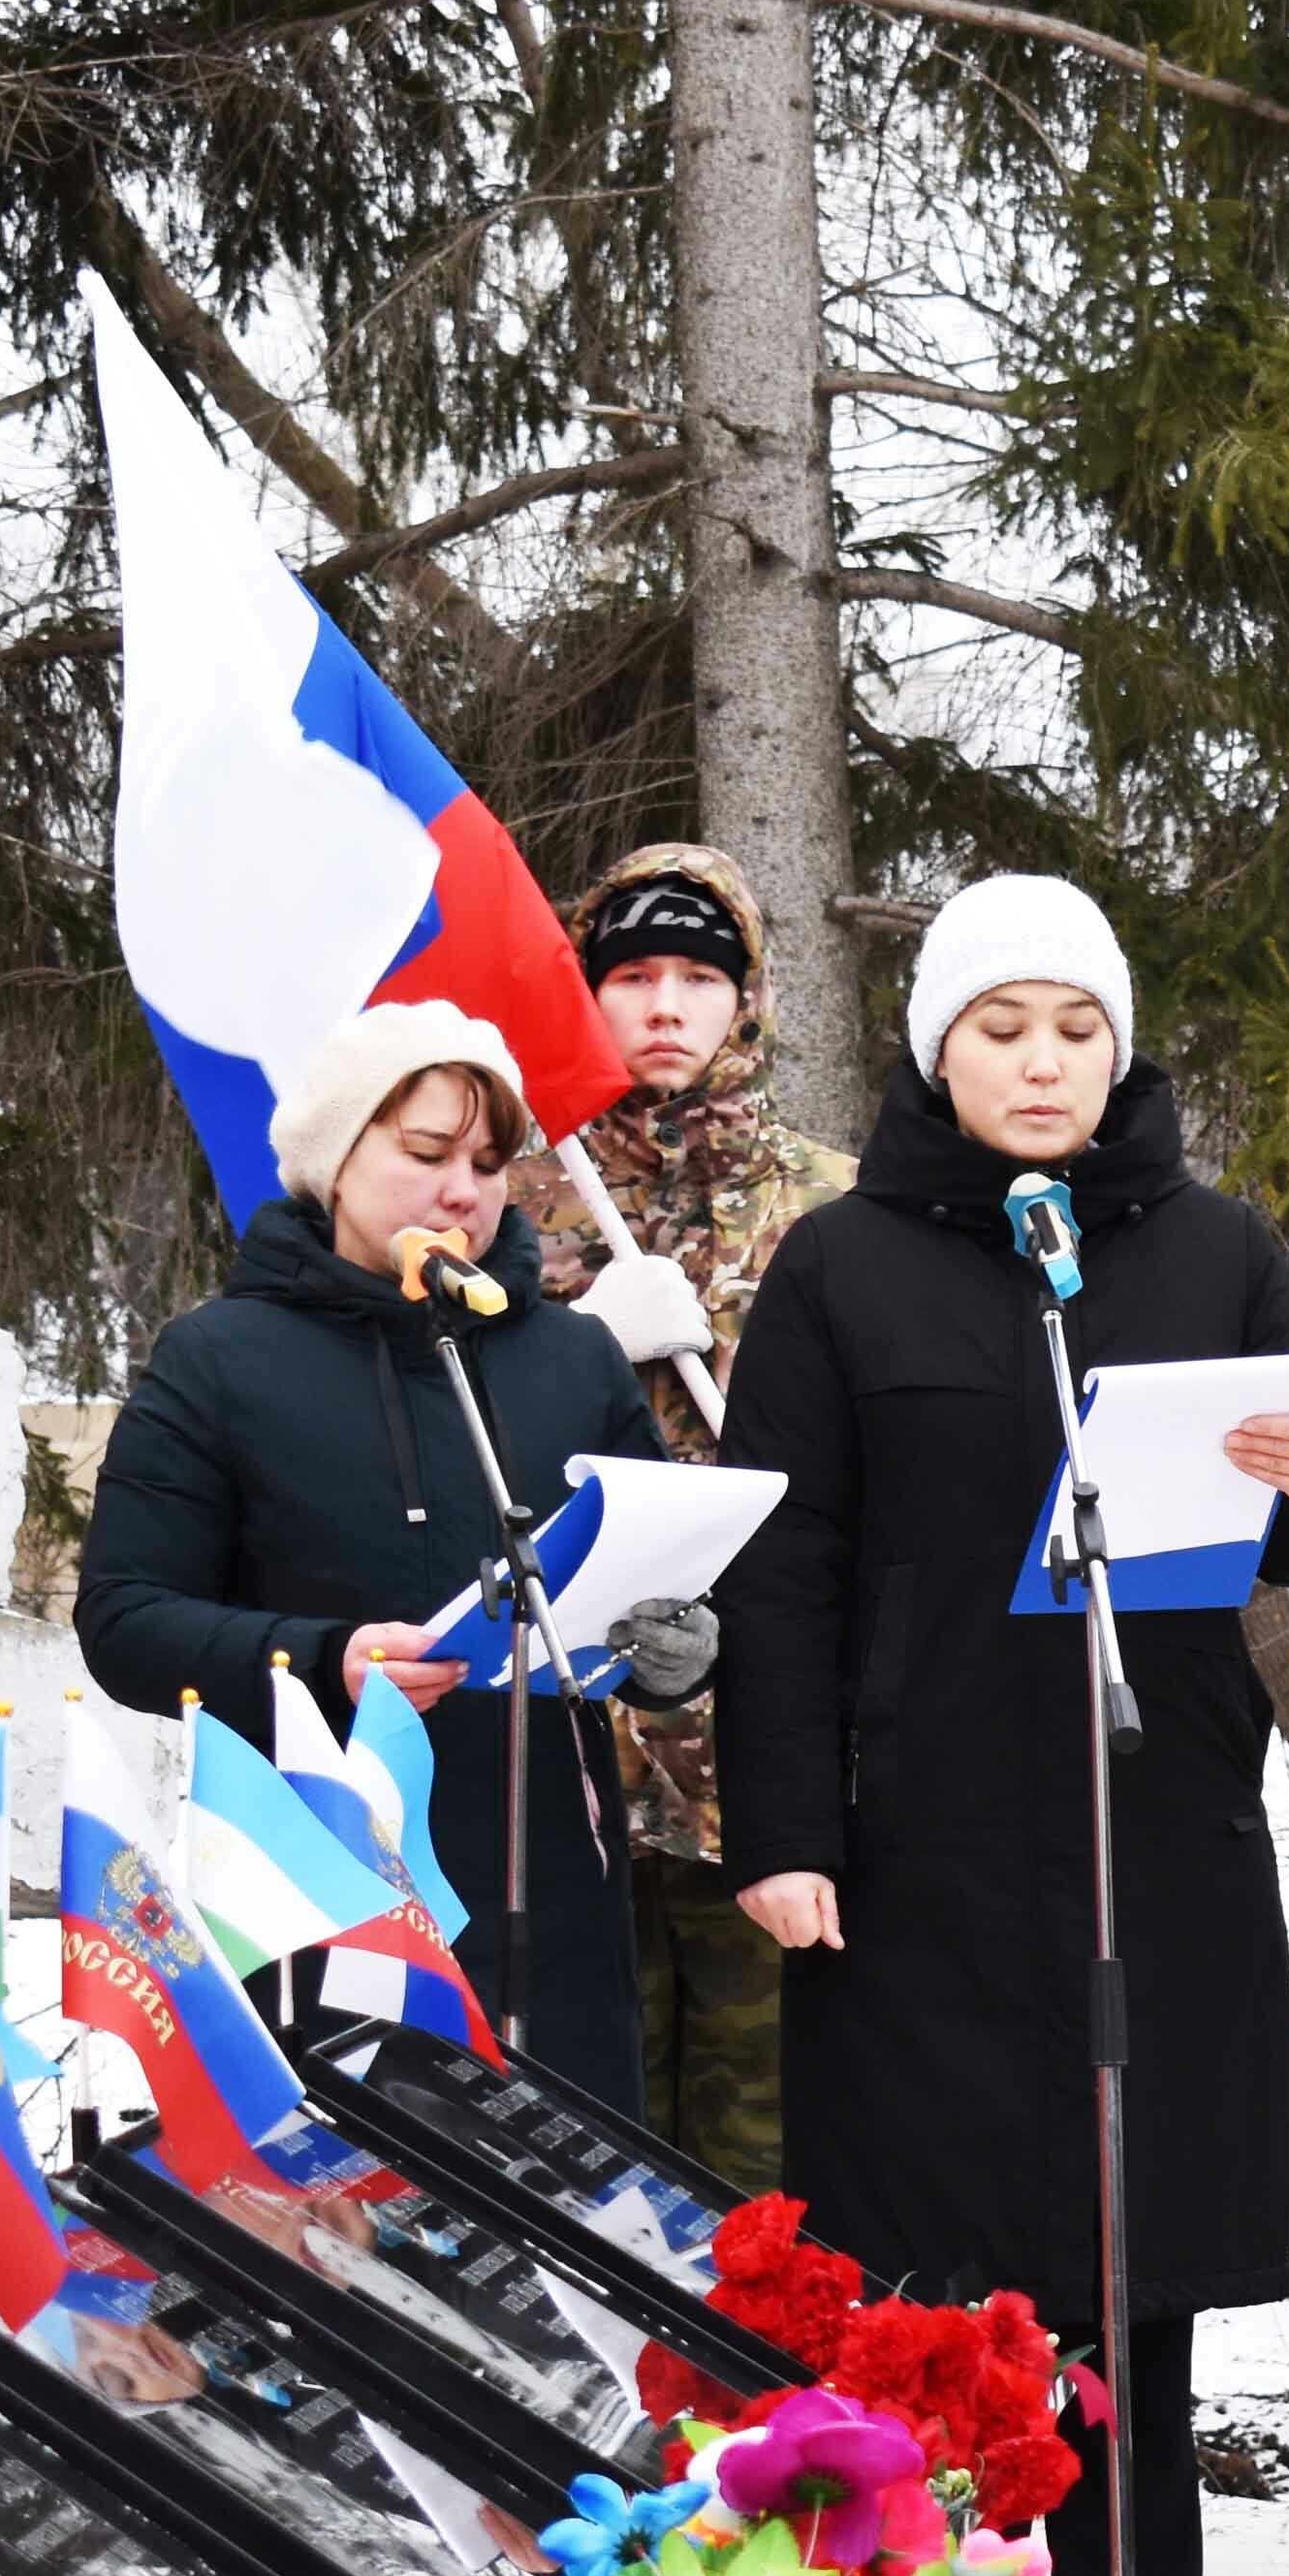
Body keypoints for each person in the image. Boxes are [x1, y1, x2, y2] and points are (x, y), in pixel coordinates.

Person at [709, 875, 1289, 2576]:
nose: (1041, 1058)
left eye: (1074, 1026)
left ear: (1116, 1049)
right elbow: (784, 1563)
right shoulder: (843, 1270)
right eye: (1001, 1024)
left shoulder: (1210, 1249)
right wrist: (785, 1827)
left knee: (1133, 2272)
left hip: (1150, 1828)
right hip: (919, 1852)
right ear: (941, 1048)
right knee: (950, 2285)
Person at [79, 1004, 717, 2105]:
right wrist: (328, 1660)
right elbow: (126, 1622)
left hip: (551, 1885)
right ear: (335, 1162)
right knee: (350, 2234)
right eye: (424, 1153)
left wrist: (682, 1648)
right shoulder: (219, 1358)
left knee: (568, 2228)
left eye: (485, 1160)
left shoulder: (572, 1357)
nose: (461, 1189)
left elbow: (668, 1586)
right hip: (312, 1880)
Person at [521, 842, 851, 2194]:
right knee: (580, 2139)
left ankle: (773, 2407)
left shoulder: (831, 1207)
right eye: (633, 976)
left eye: (699, 977)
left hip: (758, 1761)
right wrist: (577, 1341)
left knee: (767, 2159)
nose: (665, 1005)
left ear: (748, 1000)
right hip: (566, 1741)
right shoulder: (507, 1203)